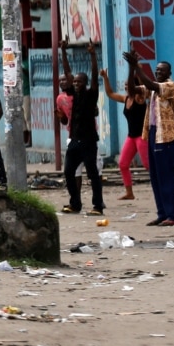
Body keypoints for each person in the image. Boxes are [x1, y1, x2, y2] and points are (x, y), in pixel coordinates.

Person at [124, 49, 174, 226]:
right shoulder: (153, 90)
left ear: (169, 73)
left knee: (167, 176)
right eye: (156, 70)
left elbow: (151, 84)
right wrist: (132, 69)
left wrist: (137, 67)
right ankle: (163, 213)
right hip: (153, 133)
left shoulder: (170, 86)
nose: (158, 73)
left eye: (161, 70)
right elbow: (132, 89)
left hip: (167, 136)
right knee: (155, 176)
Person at [59, 41, 105, 215]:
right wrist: (63, 51)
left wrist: (93, 55)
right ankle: (75, 204)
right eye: (75, 82)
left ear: (85, 84)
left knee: (93, 174)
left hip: (88, 141)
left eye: (79, 82)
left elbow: (94, 76)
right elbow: (67, 72)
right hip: (74, 141)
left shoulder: (90, 94)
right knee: (69, 172)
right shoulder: (73, 94)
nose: (76, 84)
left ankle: (98, 206)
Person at [100, 63, 148, 201]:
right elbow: (110, 93)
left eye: (129, 86)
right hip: (131, 137)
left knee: (148, 165)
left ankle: (163, 184)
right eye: (125, 86)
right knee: (122, 164)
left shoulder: (140, 98)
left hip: (142, 136)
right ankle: (129, 192)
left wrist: (137, 69)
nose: (126, 88)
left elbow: (141, 86)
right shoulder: (126, 98)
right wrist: (105, 77)